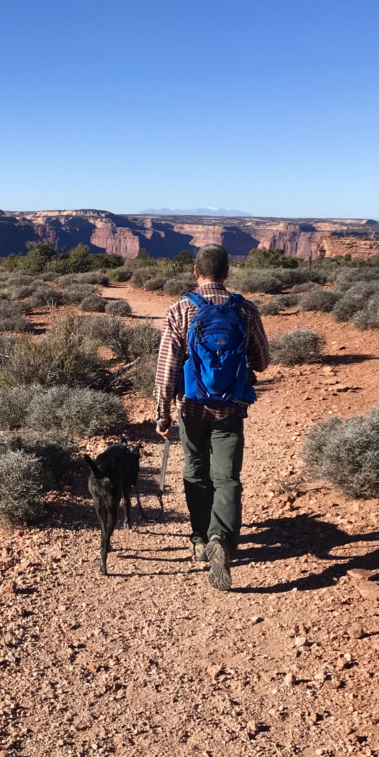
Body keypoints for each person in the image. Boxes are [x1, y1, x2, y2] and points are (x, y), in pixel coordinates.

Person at [154, 244, 269, 591]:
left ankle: (200, 539)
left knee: (195, 470)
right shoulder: (245, 309)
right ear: (227, 272)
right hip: (230, 407)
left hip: (190, 408)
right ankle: (223, 538)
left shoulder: (180, 309)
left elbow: (167, 368)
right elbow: (262, 359)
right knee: (228, 477)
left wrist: (162, 415)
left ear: (195, 271)